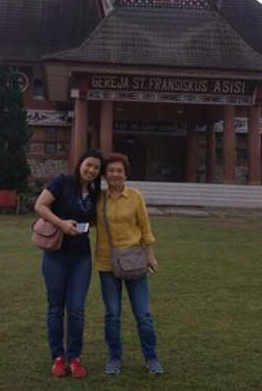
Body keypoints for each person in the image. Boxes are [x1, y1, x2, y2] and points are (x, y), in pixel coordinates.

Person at [34, 149, 104, 379]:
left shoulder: (94, 194)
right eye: (88, 165)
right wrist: (62, 223)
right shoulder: (62, 183)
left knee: (76, 308)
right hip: (56, 255)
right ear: (80, 164)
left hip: (81, 258)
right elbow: (40, 205)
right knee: (56, 307)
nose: (91, 170)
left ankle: (74, 357)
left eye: (96, 168)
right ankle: (58, 357)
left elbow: (94, 221)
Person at [94, 152, 164, 375]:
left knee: (143, 314)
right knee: (112, 314)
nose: (115, 174)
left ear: (126, 174)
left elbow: (145, 229)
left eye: (119, 171)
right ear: (105, 174)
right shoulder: (98, 198)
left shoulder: (135, 196)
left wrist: (151, 256)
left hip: (134, 261)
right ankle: (114, 358)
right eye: (111, 170)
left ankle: (151, 357)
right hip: (107, 263)